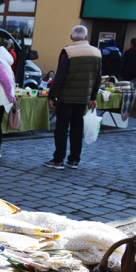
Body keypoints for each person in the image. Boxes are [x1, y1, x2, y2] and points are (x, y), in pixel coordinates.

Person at [45, 25, 101, 170]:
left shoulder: (68, 52)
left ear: (71, 37)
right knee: (77, 128)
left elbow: (60, 76)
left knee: (62, 128)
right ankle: (74, 159)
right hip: (83, 98)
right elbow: (98, 78)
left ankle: (58, 159)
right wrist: (93, 96)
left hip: (66, 97)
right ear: (86, 37)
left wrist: (51, 95)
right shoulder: (96, 53)